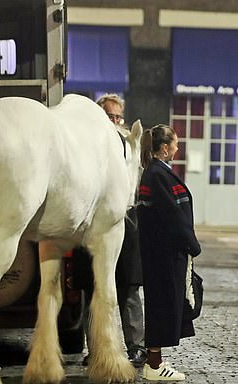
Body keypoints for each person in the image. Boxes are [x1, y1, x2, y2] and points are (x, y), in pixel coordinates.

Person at [82, 93, 147, 367]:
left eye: (119, 116)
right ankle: (97, 348)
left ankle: (136, 347)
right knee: (93, 290)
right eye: (111, 116)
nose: (117, 121)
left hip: (126, 227)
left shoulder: (129, 146)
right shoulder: (87, 145)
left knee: (129, 290)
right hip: (93, 230)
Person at [137, 124, 201, 381]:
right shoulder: (158, 175)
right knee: (162, 307)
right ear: (164, 148)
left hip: (161, 254)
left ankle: (155, 361)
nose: (178, 147)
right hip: (163, 256)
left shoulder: (156, 173)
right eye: (175, 143)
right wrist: (193, 245)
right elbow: (174, 218)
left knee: (162, 305)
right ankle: (154, 366)